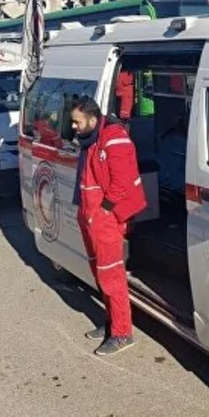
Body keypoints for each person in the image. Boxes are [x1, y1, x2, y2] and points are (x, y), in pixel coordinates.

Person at [71, 96, 147, 356]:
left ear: (92, 119)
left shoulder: (113, 137)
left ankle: (122, 333)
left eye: (77, 122)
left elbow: (122, 181)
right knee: (99, 273)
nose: (73, 126)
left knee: (111, 275)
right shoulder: (90, 139)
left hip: (105, 218)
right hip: (90, 214)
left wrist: (104, 211)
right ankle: (111, 322)